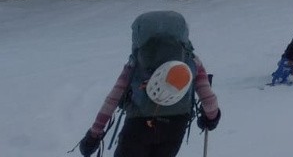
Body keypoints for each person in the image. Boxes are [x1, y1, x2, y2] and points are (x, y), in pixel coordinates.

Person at [79, 11, 221, 157]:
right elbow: (209, 99)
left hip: (138, 125)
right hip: (175, 126)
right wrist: (211, 117)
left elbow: (113, 99)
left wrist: (94, 134)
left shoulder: (135, 63)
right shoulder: (191, 62)